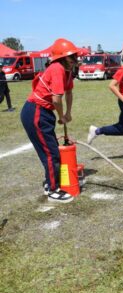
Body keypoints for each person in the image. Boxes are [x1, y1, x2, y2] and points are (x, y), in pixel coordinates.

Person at [20, 38, 79, 203]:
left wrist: (68, 113)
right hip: (36, 111)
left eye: (75, 56)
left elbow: (68, 93)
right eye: (71, 57)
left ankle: (50, 182)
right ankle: (53, 190)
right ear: (61, 57)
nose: (75, 59)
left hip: (44, 113)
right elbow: (56, 99)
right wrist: (61, 116)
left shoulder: (67, 71)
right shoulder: (57, 69)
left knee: (51, 149)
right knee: (50, 152)